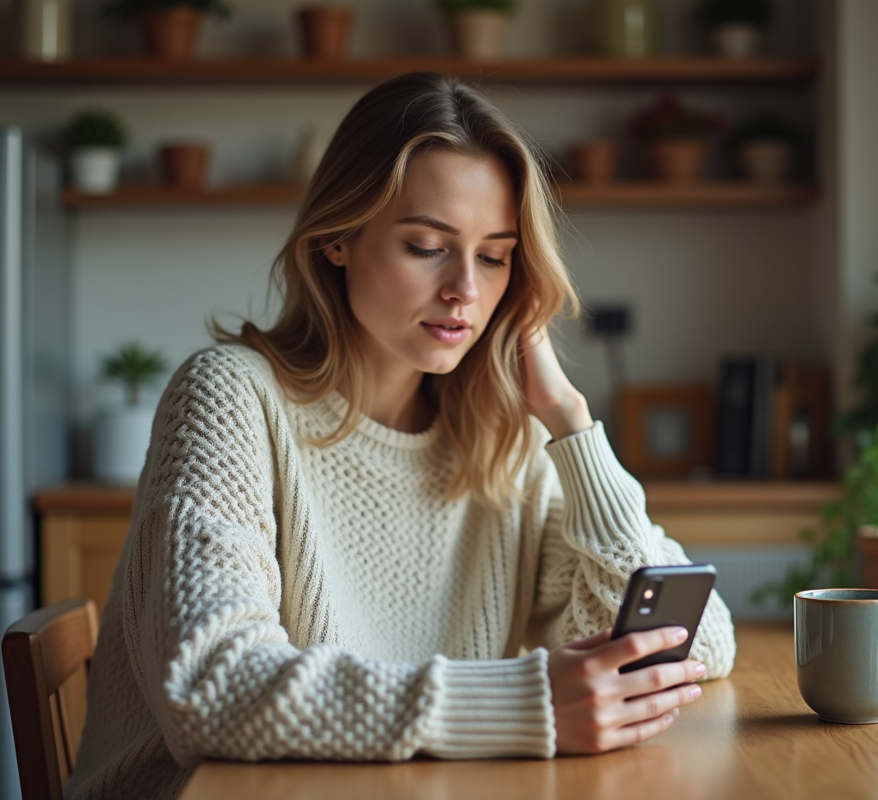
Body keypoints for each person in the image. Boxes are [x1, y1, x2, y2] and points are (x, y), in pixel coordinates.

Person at [66, 72, 736, 800]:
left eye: (494, 255)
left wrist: (571, 422)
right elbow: (214, 688)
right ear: (336, 240)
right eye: (426, 245)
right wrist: (527, 703)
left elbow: (697, 645)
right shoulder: (231, 397)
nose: (466, 292)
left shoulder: (502, 441)